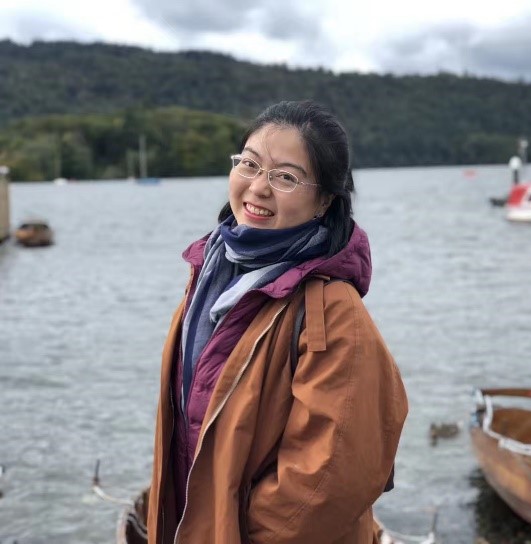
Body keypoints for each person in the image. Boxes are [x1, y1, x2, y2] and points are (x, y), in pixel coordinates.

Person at [146, 100, 408, 543]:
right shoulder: (210, 274)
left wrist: (242, 533)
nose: (258, 187)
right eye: (249, 164)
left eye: (285, 177)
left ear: (325, 200)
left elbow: (331, 479)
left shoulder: (334, 311)